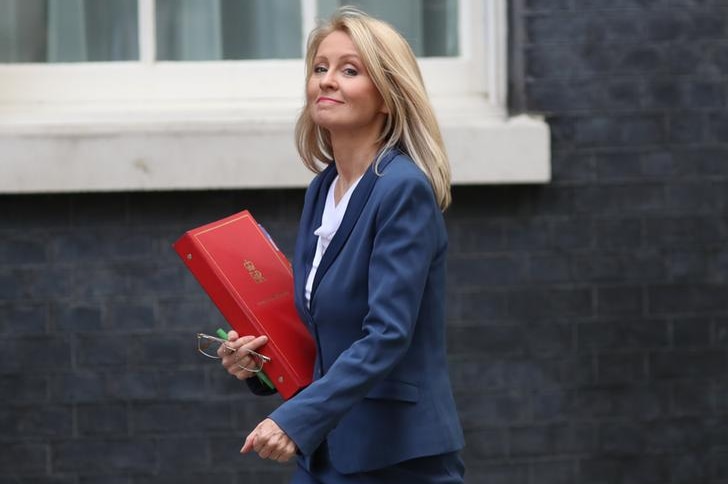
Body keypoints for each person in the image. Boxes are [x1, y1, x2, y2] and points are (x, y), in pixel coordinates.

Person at [218, 7, 465, 483]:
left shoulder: (401, 190)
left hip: (395, 457)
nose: (327, 80)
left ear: (388, 98)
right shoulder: (323, 189)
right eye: (320, 68)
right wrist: (259, 367)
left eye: (349, 70)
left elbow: (387, 335)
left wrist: (295, 420)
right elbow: (323, 333)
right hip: (325, 453)